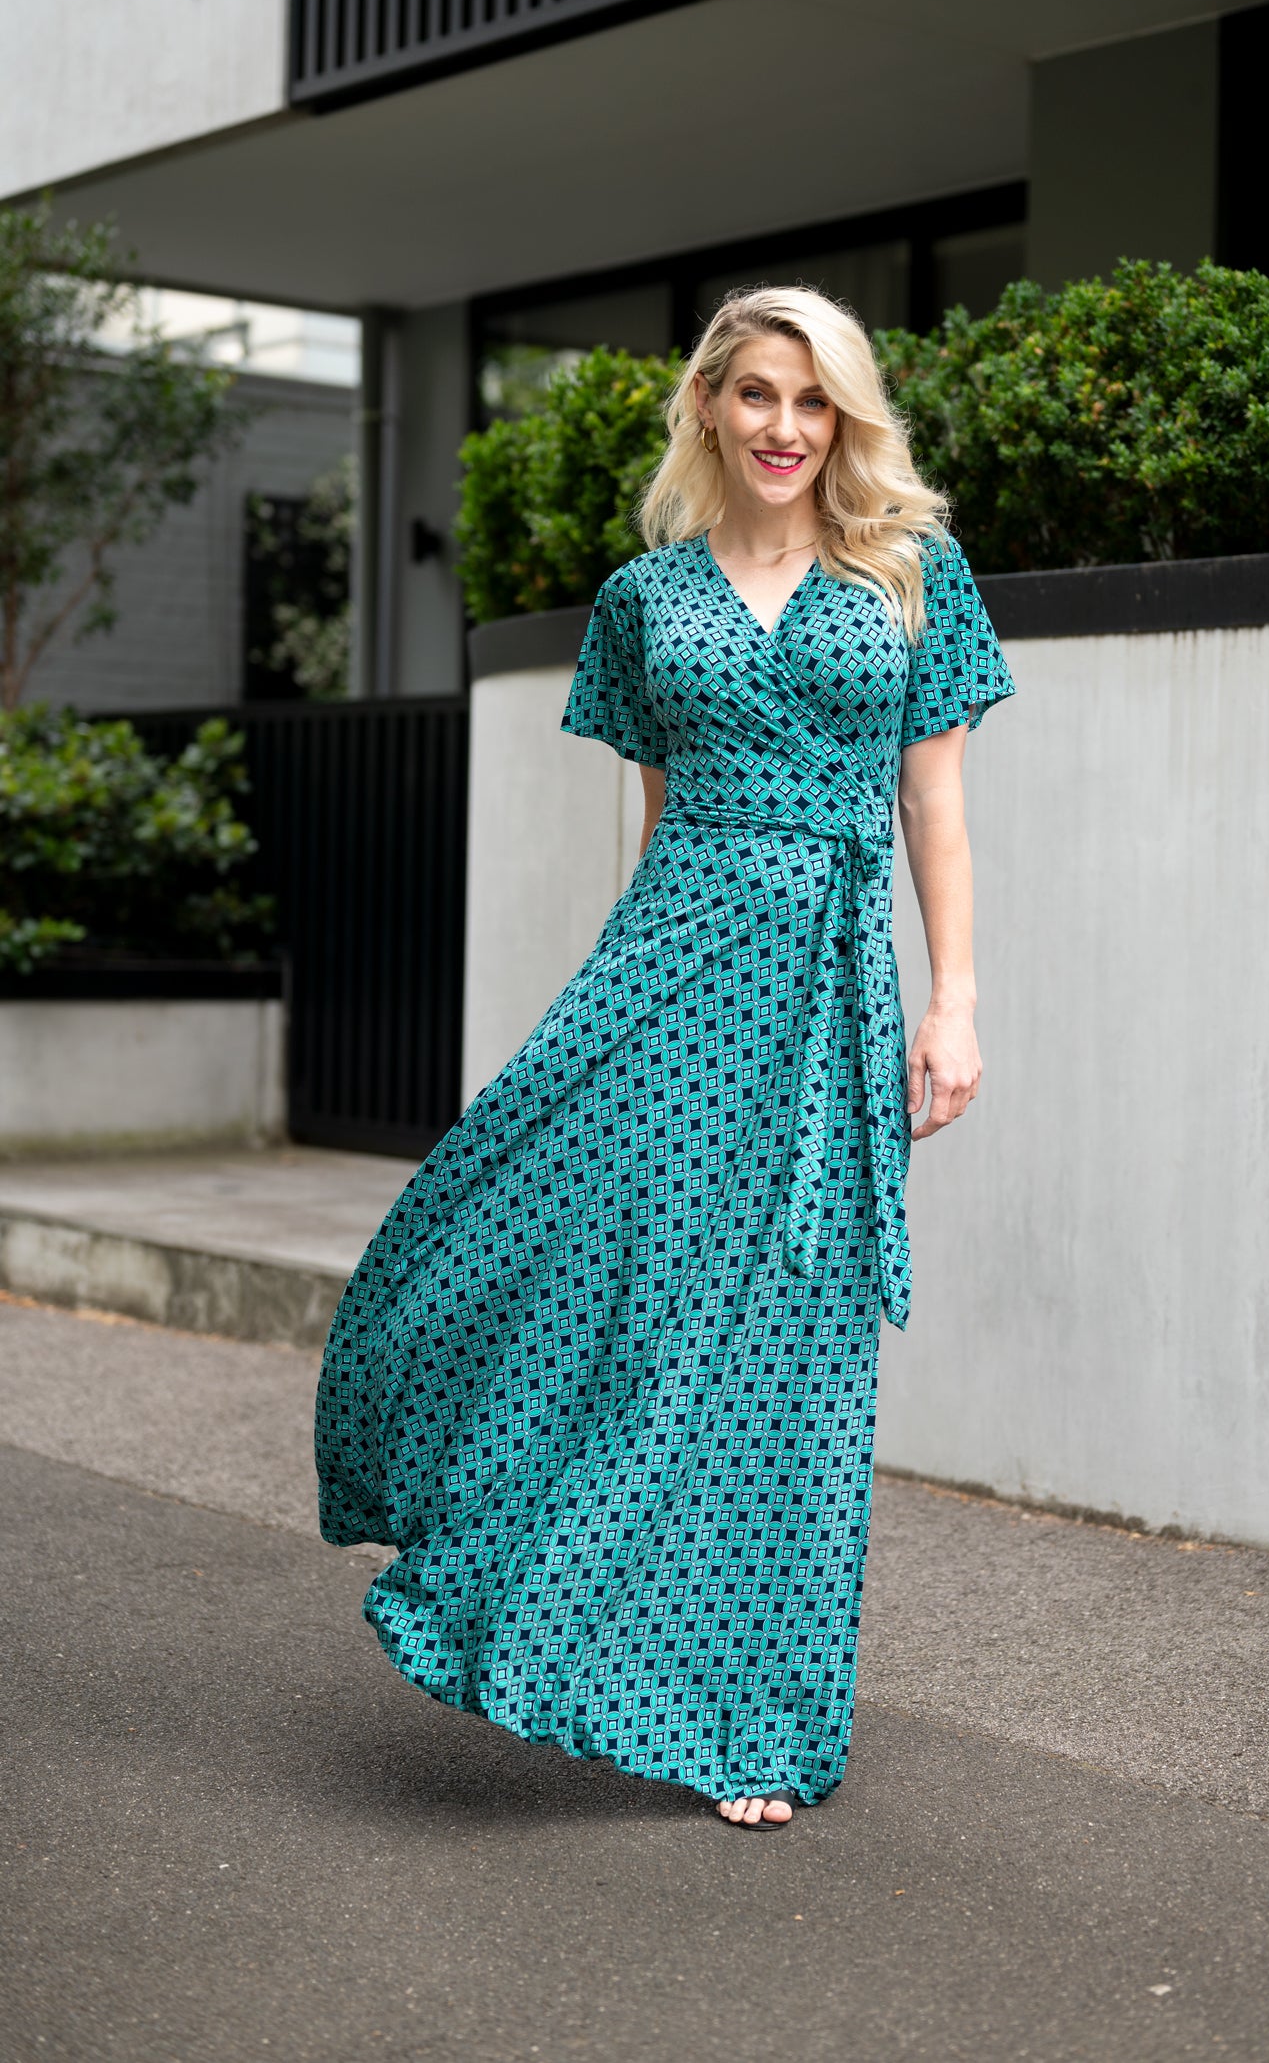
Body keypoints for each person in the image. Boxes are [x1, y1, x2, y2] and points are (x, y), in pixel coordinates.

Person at [314, 284, 1015, 1829]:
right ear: (708, 404)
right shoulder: (645, 600)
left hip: (823, 1000)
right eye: (756, 394)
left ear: (846, 418)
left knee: (789, 1354)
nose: (784, 427)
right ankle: (544, 1611)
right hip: (665, 987)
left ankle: (754, 1720)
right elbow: (653, 838)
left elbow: (934, 810)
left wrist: (950, 1002)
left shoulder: (914, 577)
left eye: (813, 400)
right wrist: (612, 1012)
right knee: (585, 1296)